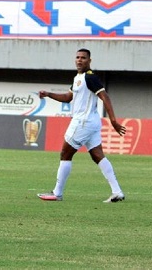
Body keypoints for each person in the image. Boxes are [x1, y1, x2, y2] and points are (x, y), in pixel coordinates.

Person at [37, 48, 126, 203]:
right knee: (98, 156)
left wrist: (113, 121)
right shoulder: (78, 78)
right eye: (77, 57)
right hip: (91, 123)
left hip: (83, 122)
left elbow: (105, 97)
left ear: (89, 61)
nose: (79, 60)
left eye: (83, 58)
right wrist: (49, 94)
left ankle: (57, 193)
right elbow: (67, 97)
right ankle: (117, 191)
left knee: (65, 154)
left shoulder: (90, 77)